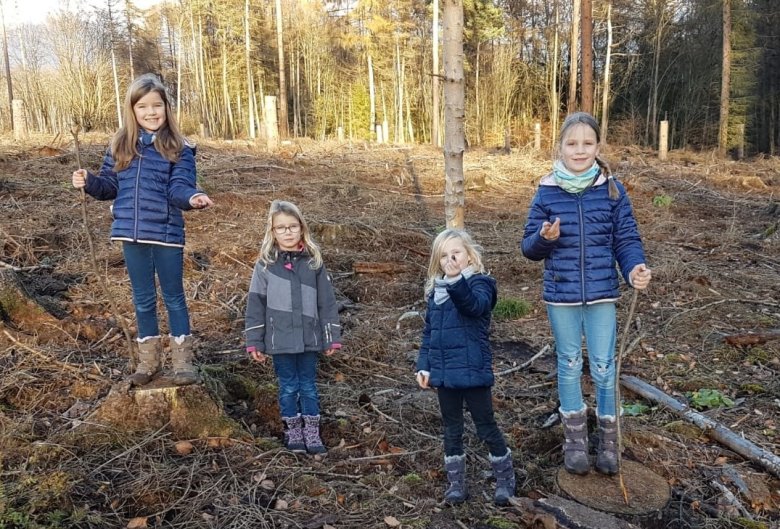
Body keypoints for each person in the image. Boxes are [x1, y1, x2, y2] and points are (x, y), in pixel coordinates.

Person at [521, 112, 651, 476]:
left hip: (602, 294)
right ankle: (575, 440)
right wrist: (543, 239)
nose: (579, 150)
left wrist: (633, 269)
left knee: (605, 365)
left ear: (598, 147)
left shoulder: (612, 189)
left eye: (587, 143)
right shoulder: (546, 191)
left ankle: (610, 440)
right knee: (569, 362)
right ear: (560, 146)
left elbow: (626, 239)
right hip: (560, 294)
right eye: (571, 143)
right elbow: (528, 248)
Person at [72, 73, 213, 387]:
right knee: (143, 300)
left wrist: (192, 197)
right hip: (130, 235)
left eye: (157, 105)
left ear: (167, 108)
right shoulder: (120, 146)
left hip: (166, 234)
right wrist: (89, 181)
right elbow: (109, 186)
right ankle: (148, 362)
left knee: (174, 298)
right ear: (132, 111)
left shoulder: (179, 148)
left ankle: (182, 363)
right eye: (143, 107)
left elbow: (180, 187)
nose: (151, 112)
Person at [415, 229, 515, 506]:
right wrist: (424, 366)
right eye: (444, 256)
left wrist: (457, 281)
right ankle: (456, 484)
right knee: (452, 428)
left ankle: (505, 479)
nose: (451, 260)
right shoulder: (437, 293)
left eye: (456, 253)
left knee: (485, 426)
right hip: (444, 375)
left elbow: (474, 307)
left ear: (469, 255)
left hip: (473, 372)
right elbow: (428, 334)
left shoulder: (481, 284)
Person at [245, 200, 341, 455]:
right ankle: (293, 431)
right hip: (280, 340)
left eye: (292, 226)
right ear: (272, 231)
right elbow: (255, 304)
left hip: (309, 338)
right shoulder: (265, 264)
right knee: (288, 385)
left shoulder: (313, 263)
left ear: (302, 228)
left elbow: (327, 303)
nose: (287, 232)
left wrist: (331, 337)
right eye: (281, 228)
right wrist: (255, 341)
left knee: (308, 385)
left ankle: (312, 431)